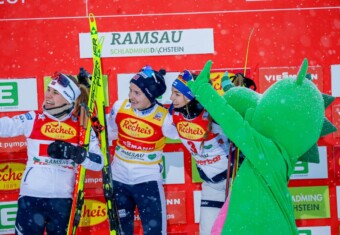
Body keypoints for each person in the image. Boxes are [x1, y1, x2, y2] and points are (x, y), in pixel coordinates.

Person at [0, 72, 104, 235]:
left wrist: (74, 153)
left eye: (55, 93)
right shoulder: (33, 119)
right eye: (48, 89)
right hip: (31, 197)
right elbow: (5, 126)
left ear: (68, 99)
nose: (48, 95)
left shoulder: (81, 126)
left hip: (62, 200)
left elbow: (99, 161)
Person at [106, 66, 178, 235]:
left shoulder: (164, 118)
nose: (131, 96)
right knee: (121, 231)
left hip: (147, 180)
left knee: (155, 232)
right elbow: (109, 133)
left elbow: (183, 135)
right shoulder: (119, 107)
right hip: (119, 179)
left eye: (137, 93)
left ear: (151, 95)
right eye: (130, 90)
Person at [169, 70, 231, 235]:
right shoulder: (174, 114)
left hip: (233, 182)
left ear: (191, 96)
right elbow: (167, 132)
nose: (171, 99)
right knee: (207, 232)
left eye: (177, 94)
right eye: (172, 93)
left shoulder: (215, 114)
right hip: (211, 184)